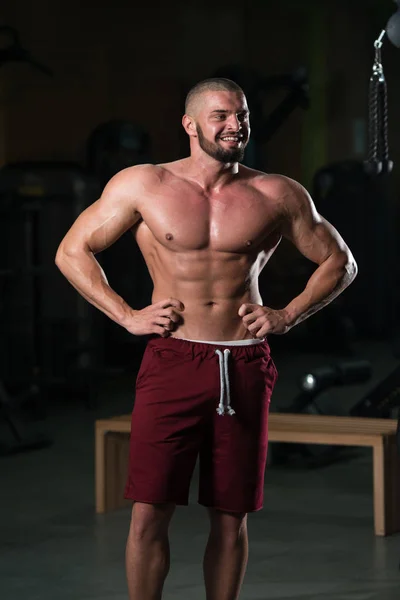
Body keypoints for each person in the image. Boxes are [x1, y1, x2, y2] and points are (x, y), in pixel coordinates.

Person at [55, 78, 357, 600]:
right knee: (150, 510)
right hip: (173, 358)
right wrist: (126, 315)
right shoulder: (143, 185)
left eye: (240, 115)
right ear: (190, 125)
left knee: (230, 515)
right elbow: (72, 251)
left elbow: (341, 262)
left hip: (243, 362)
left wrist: (287, 315)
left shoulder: (277, 193)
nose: (235, 125)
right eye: (221, 116)